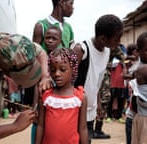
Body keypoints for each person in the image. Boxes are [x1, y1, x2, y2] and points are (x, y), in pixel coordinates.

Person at [73, 14, 123, 143]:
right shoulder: (81, 50)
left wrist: (98, 103)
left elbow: (98, 81)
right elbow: (67, 81)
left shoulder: (106, 52)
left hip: (90, 112)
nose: (119, 42)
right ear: (102, 38)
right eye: (116, 39)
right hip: (74, 112)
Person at [35, 48, 88, 144]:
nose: (57, 74)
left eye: (63, 69)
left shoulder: (80, 97)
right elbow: (40, 126)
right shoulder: (46, 96)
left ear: (73, 70)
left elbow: (83, 129)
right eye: (52, 70)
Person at [31, 26, 62, 144]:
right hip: (41, 103)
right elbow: (36, 85)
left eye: (54, 38)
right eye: (47, 37)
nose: (50, 40)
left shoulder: (62, 59)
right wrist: (34, 108)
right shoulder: (39, 59)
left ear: (59, 41)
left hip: (55, 106)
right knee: (38, 128)